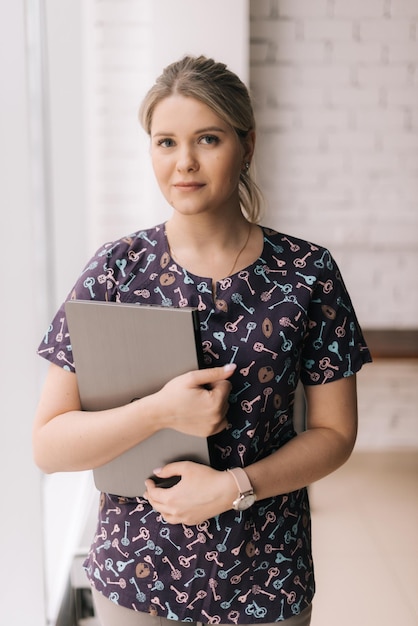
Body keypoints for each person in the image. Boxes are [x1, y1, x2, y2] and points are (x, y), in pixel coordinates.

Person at [33, 55, 372, 626]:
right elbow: (49, 445)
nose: (184, 162)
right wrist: (160, 410)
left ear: (247, 144)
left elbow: (336, 434)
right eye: (165, 142)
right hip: (136, 575)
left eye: (207, 139)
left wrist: (235, 487)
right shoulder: (116, 271)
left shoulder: (308, 273)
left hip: (266, 573)